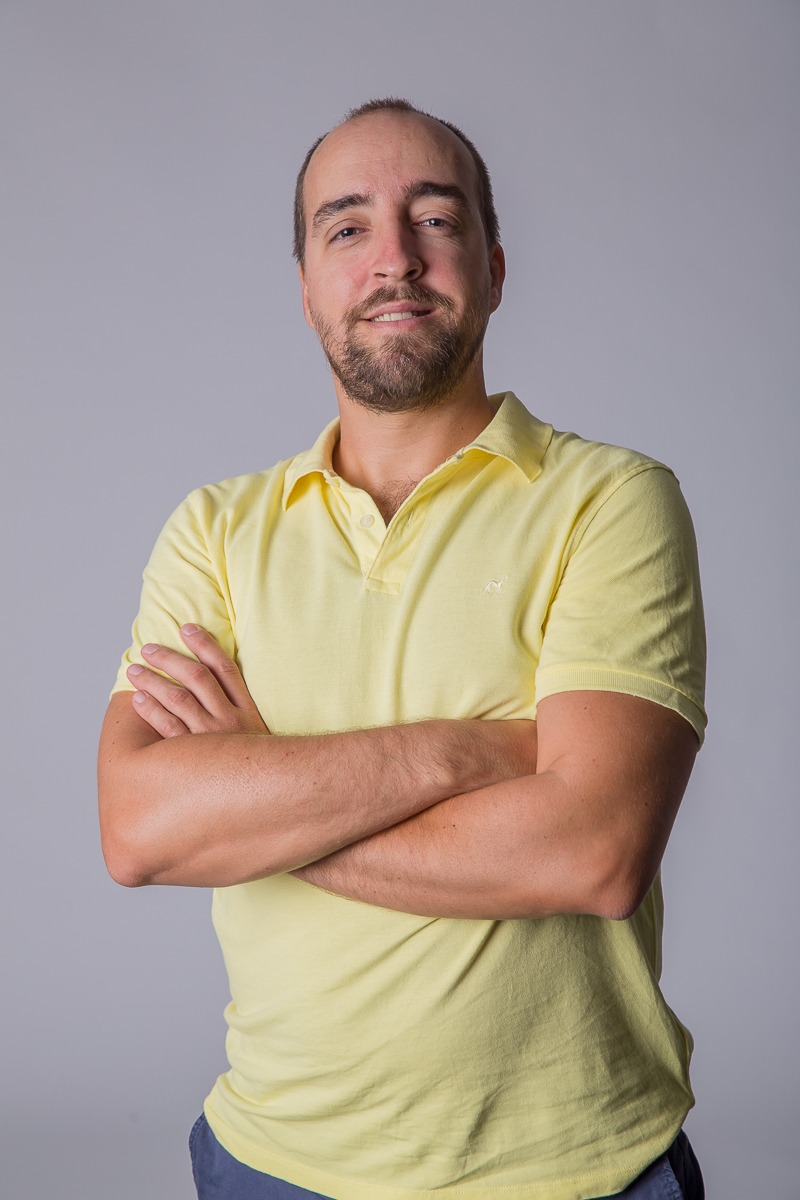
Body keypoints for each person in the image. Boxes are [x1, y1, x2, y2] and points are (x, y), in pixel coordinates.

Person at [98, 98, 707, 1200]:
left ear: (494, 266)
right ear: (305, 287)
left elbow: (593, 853)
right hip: (270, 1162)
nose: (394, 259)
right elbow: (140, 829)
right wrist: (471, 752)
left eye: (434, 219)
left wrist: (257, 801)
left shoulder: (609, 502)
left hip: (573, 1171)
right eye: (347, 227)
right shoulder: (215, 532)